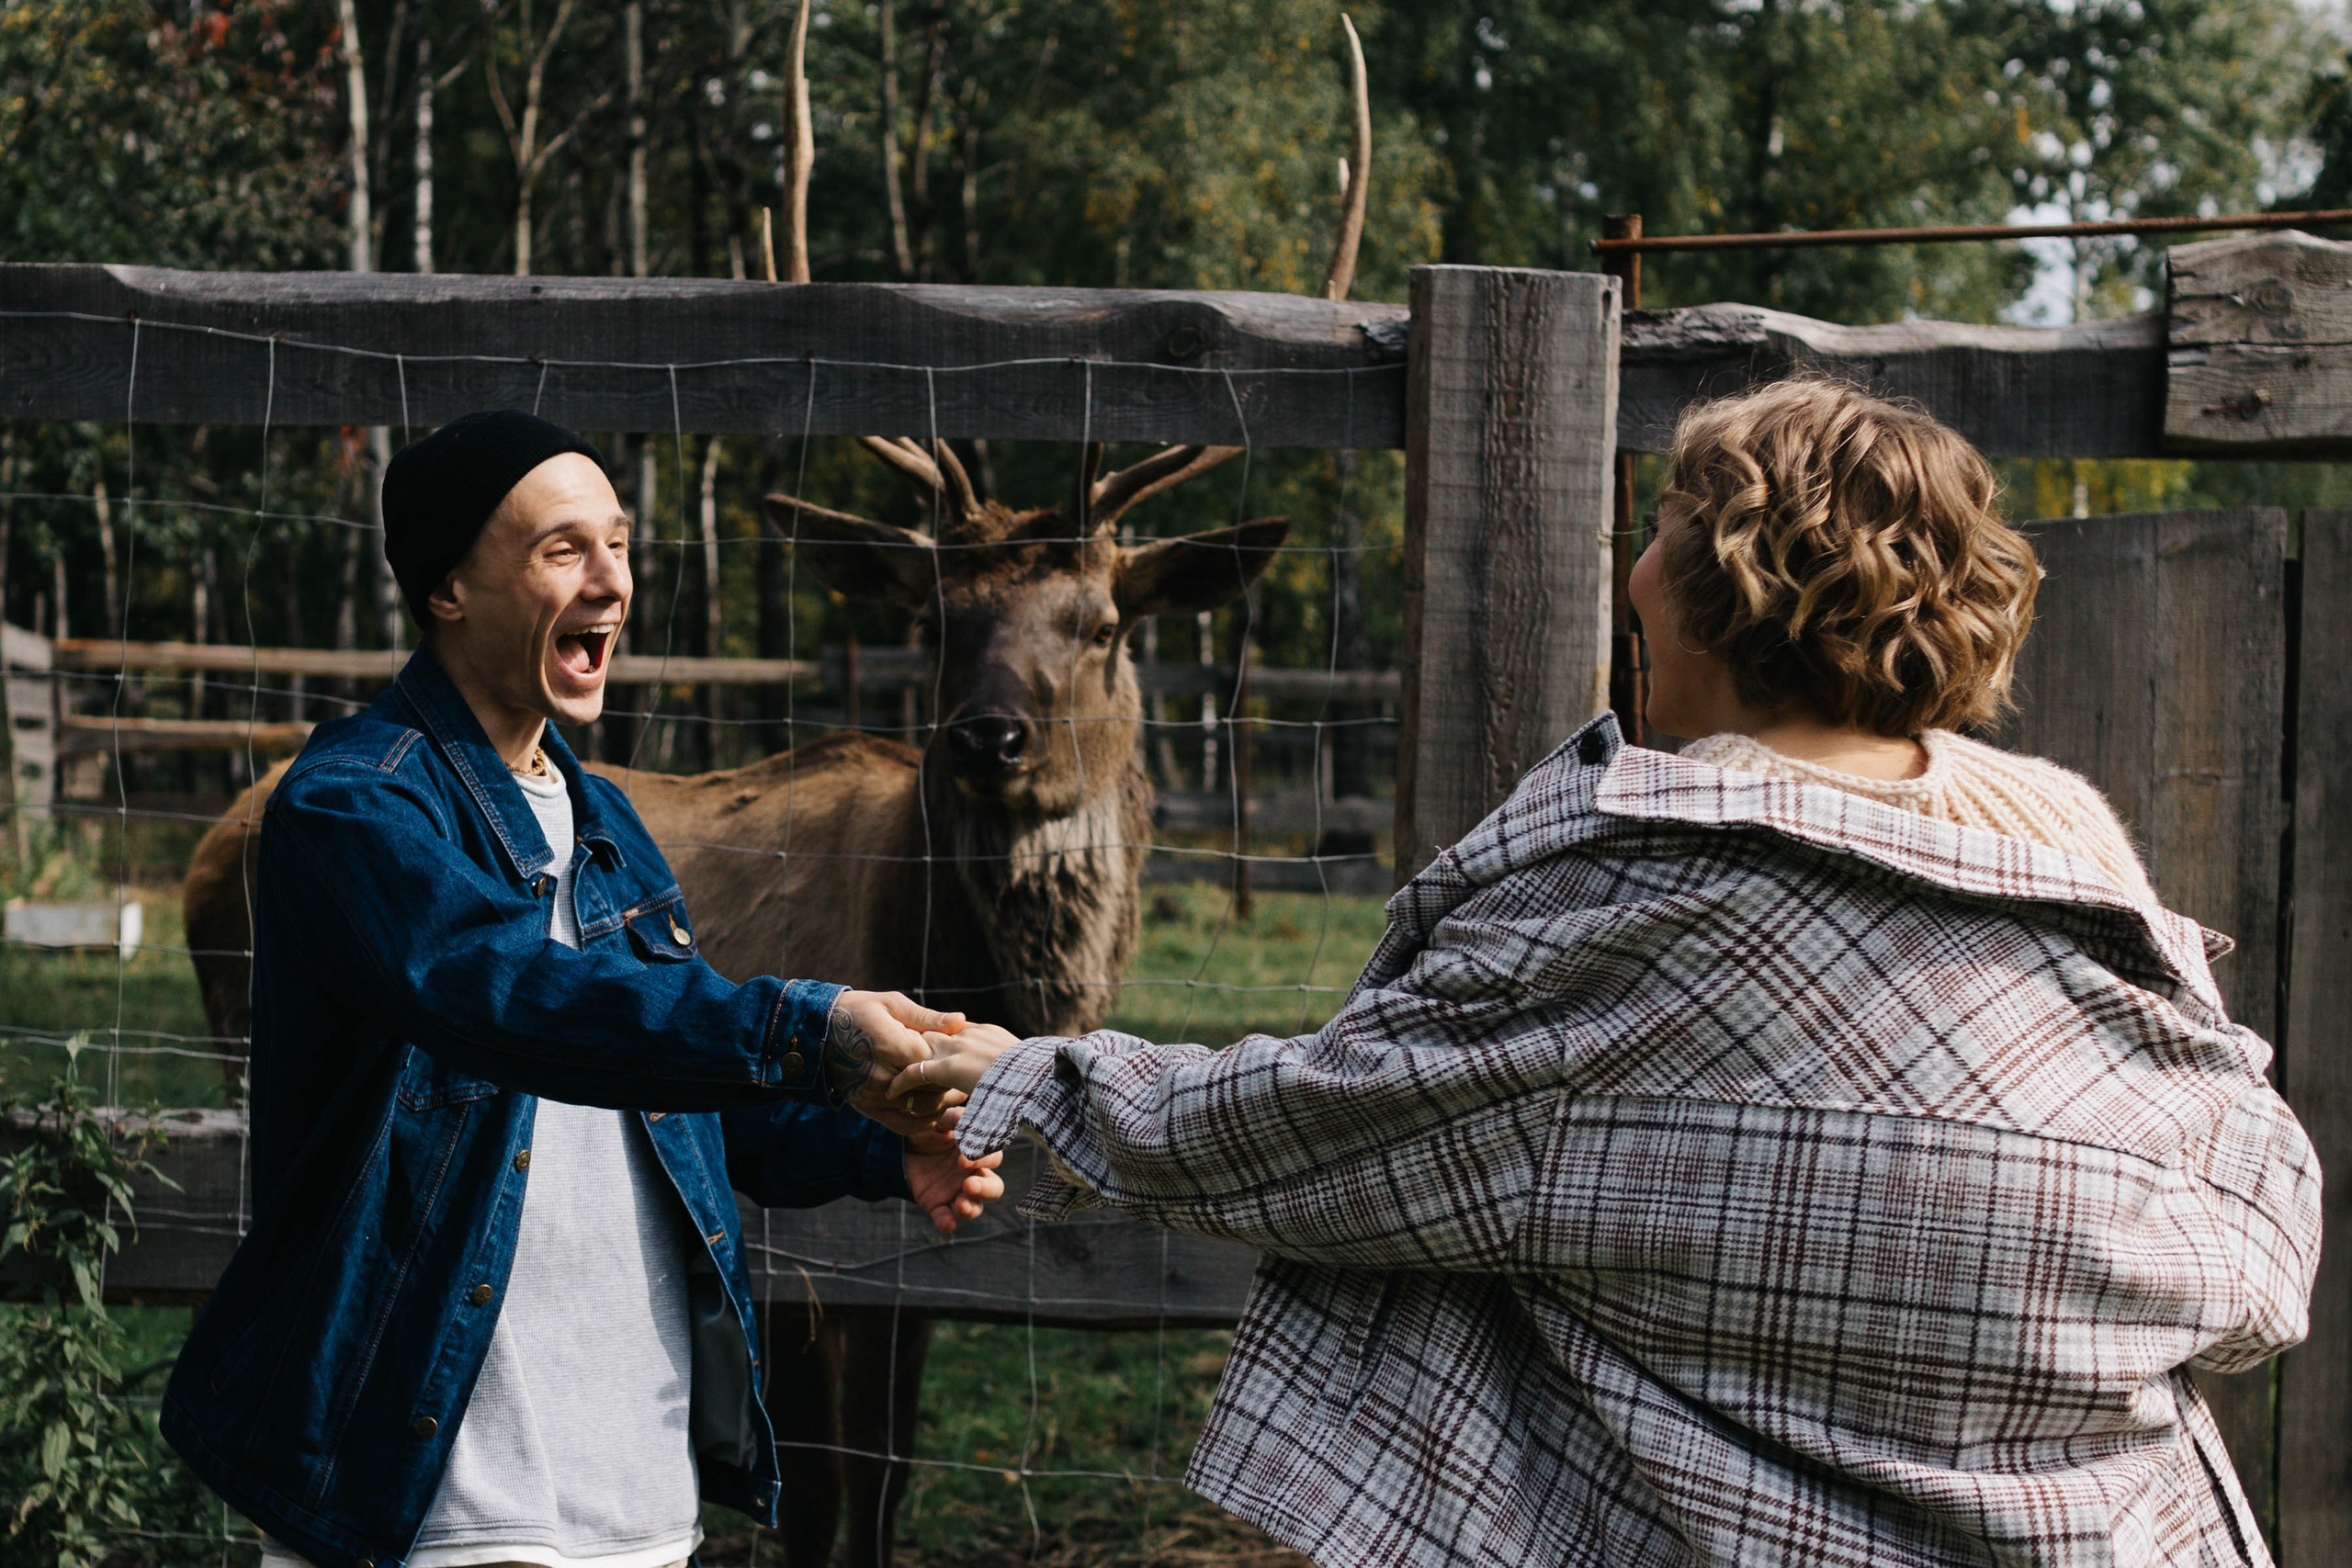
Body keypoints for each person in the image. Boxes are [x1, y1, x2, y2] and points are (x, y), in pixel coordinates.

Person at [897, 380, 2322, 1567]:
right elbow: (2258, 1241)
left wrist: (1023, 1072)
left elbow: (1324, 1127)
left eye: (1661, 525)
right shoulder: (2068, 845)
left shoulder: (1634, 893)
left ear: (1702, 592)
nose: (1635, 557)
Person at [162, 411, 1001, 1568]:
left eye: (619, 543)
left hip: (630, 1490)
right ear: (450, 588)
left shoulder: (604, 824)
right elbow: (502, 995)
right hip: (438, 1501)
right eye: (564, 550)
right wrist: (805, 1026)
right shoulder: (353, 807)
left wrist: (875, 1153)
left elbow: (669, 1091)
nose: (614, 582)